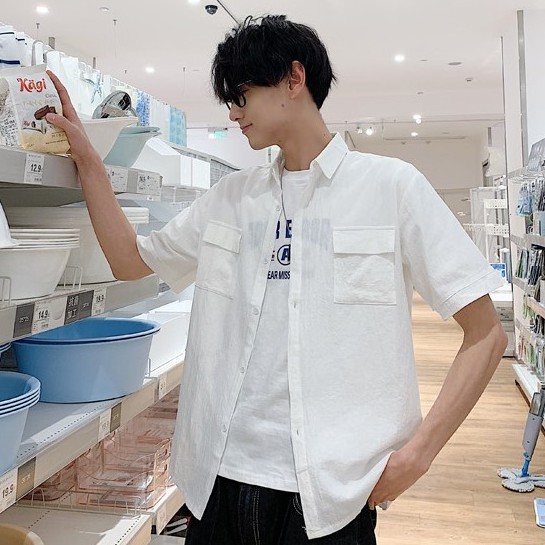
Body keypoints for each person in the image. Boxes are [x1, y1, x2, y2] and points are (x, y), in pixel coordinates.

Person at [46, 14, 507, 545]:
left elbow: (485, 334)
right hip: (217, 485)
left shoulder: (391, 187)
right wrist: (90, 163)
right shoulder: (230, 199)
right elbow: (131, 261)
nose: (233, 113)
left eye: (241, 95)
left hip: (331, 497)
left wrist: (418, 455)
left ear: (294, 78)